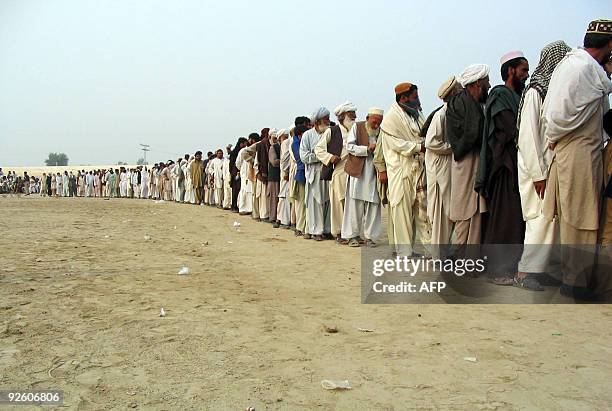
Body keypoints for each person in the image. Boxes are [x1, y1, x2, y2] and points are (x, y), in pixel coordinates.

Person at [542, 19, 612, 299]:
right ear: (608, 45)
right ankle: (577, 283)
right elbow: (558, 118)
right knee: (581, 218)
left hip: (581, 152)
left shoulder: (579, 66)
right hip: (578, 152)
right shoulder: (581, 68)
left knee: (579, 217)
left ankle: (577, 279)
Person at [516, 41, 571, 289]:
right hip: (535, 167)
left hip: (548, 167)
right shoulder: (535, 92)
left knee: (550, 221)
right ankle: (527, 273)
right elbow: (528, 136)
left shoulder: (551, 92)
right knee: (539, 220)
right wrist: (538, 175)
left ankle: (540, 269)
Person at [476, 51, 530, 286]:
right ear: (510, 71)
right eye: (523, 70)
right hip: (505, 167)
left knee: (517, 220)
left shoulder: (520, 96)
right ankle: (498, 269)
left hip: (521, 165)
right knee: (505, 220)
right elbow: (509, 129)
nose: (526, 75)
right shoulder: (500, 94)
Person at [379, 82, 431, 256]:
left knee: (423, 211)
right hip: (401, 172)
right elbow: (397, 144)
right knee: (402, 213)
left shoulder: (415, 114)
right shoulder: (390, 119)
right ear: (403, 98)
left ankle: (432, 251)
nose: (418, 101)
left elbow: (424, 132)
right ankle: (404, 252)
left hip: (418, 169)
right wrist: (419, 147)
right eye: (415, 98)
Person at [446, 64, 490, 249]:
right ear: (478, 82)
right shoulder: (460, 102)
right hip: (465, 164)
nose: (489, 85)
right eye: (487, 81)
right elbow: (471, 133)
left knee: (477, 213)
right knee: (464, 212)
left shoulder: (476, 103)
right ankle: (458, 255)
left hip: (476, 162)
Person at [423, 76, 463, 257]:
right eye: (460, 91)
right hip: (440, 168)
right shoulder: (441, 115)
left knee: (448, 213)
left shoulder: (453, 112)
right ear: (454, 93)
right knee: (440, 213)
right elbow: (431, 142)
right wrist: (453, 148)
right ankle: (439, 256)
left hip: (447, 167)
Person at [342, 107, 384, 247]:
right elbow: (349, 147)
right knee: (355, 205)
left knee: (373, 205)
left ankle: (370, 237)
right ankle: (352, 236)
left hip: (374, 172)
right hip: (358, 172)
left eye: (379, 122)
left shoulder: (382, 132)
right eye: (374, 121)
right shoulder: (357, 127)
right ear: (367, 118)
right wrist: (366, 149)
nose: (376, 125)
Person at [316, 101, 357, 243]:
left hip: (355, 172)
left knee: (354, 204)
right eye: (351, 115)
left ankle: (353, 233)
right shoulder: (332, 131)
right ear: (342, 117)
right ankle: (339, 233)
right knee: (340, 203)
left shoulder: (356, 130)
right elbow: (318, 149)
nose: (354, 117)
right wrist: (330, 157)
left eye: (354, 115)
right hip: (339, 171)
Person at [300, 107, 332, 241]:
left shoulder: (330, 133)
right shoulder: (308, 135)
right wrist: (321, 156)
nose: (329, 121)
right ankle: (315, 231)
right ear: (319, 121)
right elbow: (304, 156)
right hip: (314, 174)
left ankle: (327, 229)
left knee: (328, 202)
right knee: (315, 203)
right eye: (326, 119)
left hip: (328, 172)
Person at [291, 124, 309, 237]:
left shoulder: (298, 143)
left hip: (303, 174)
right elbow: (302, 159)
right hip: (302, 174)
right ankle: (301, 227)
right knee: (302, 203)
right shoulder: (296, 144)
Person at [255, 128, 271, 221]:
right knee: (263, 195)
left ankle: (266, 214)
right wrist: (262, 173)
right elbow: (260, 159)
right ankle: (263, 215)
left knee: (266, 195)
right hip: (263, 172)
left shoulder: (268, 143)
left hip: (267, 172)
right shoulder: (261, 144)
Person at [277, 130, 292, 228]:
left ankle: (285, 220)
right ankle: (284, 220)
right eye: (284, 136)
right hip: (285, 174)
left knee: (286, 197)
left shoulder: (287, 142)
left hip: (287, 173)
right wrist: (286, 172)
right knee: (284, 197)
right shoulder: (286, 143)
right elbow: (285, 159)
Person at [230, 138, 248, 212]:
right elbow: (232, 164)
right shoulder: (235, 153)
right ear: (241, 143)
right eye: (244, 143)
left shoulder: (243, 151)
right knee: (235, 190)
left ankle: (237, 205)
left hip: (241, 172)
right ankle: (234, 206)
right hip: (235, 173)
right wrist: (235, 172)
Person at [268, 131, 282, 225]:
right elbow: (273, 161)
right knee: (274, 198)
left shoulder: (281, 146)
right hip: (274, 177)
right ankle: (273, 217)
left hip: (280, 176)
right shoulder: (273, 147)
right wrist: (284, 161)